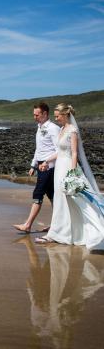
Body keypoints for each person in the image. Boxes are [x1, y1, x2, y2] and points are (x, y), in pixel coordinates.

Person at [35, 103, 104, 250]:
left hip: (67, 168)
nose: (56, 118)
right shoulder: (61, 129)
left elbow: (74, 153)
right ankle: (59, 233)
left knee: (76, 201)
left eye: (57, 116)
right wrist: (47, 161)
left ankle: (60, 234)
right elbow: (59, 151)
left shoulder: (72, 130)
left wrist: (72, 173)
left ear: (65, 115)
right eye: (55, 116)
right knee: (61, 201)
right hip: (59, 166)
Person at [13, 102, 60, 233]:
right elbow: (39, 149)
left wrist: (47, 164)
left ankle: (27, 225)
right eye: (33, 115)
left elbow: (59, 151)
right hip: (41, 166)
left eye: (37, 115)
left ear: (45, 113)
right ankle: (57, 226)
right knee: (53, 196)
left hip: (49, 168)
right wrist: (33, 165)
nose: (34, 117)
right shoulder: (40, 127)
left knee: (38, 193)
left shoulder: (53, 128)